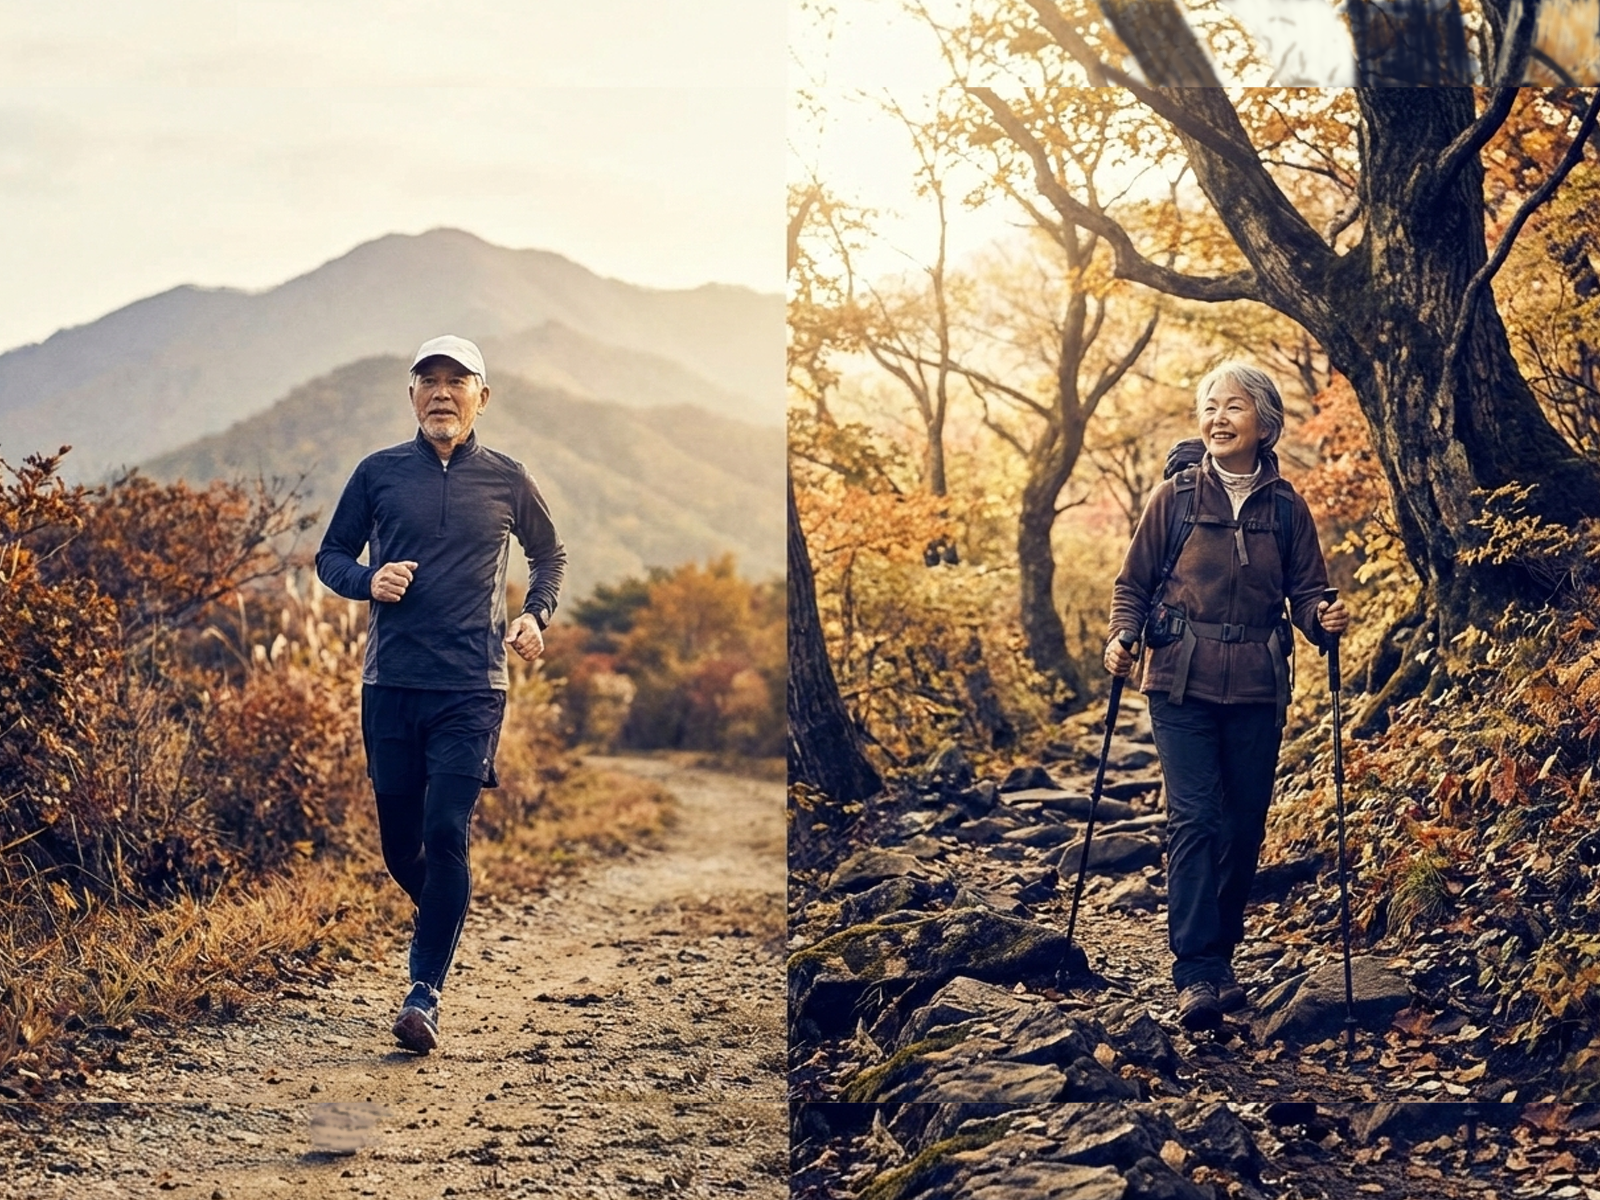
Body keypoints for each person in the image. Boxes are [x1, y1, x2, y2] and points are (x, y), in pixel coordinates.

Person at [316, 334, 566, 1053]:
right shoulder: (379, 474)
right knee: (402, 849)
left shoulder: (507, 478)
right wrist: (370, 579)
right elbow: (330, 555)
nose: (442, 393)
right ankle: (447, 912)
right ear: (413, 396)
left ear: (481, 396)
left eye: (458, 381)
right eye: (429, 381)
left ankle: (424, 992)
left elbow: (549, 555)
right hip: (391, 683)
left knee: (443, 829)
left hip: (472, 685)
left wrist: (533, 615)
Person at [1104, 362, 1349, 1034]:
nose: (1217, 418)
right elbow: (1132, 584)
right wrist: (1123, 636)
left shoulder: (1287, 508)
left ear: (1264, 423)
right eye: (1209, 406)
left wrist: (1322, 618)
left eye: (1233, 407)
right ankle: (1195, 971)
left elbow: (1307, 595)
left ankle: (1222, 955)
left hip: (1256, 687)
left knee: (1243, 826)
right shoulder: (1176, 498)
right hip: (1178, 682)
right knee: (1195, 819)